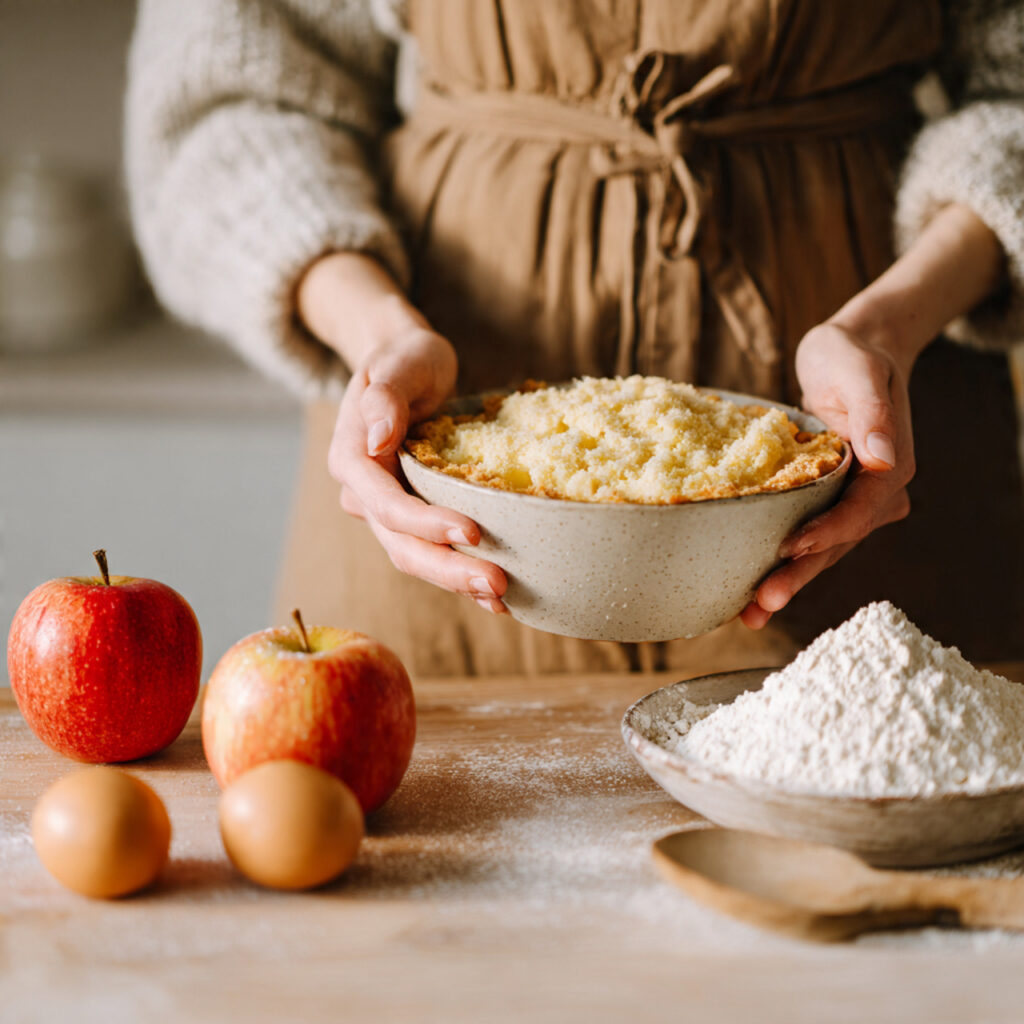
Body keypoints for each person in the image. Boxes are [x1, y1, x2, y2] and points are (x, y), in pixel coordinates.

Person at [126, 0, 1024, 678]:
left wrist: (890, 325)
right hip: (440, 507)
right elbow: (228, 103)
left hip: (880, 446)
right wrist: (377, 333)